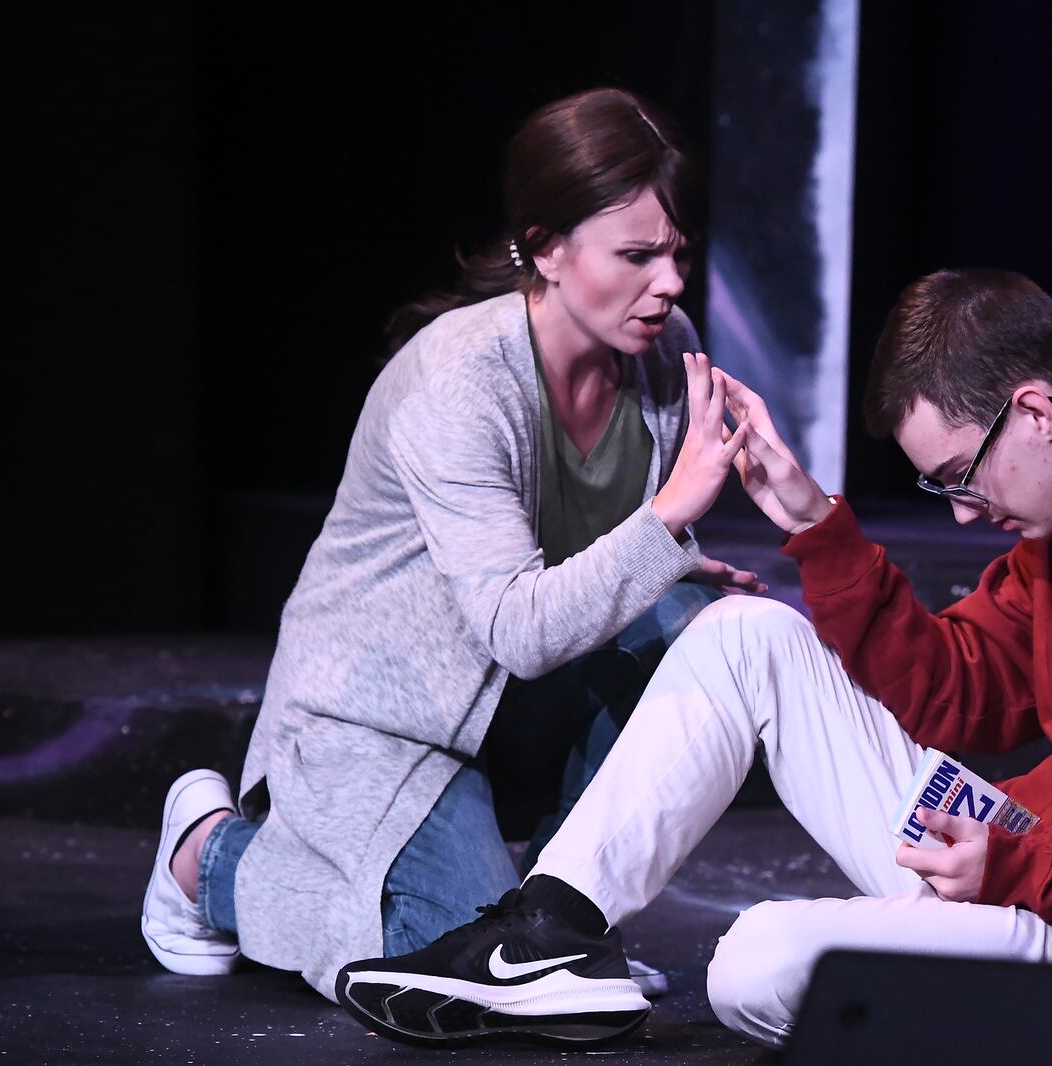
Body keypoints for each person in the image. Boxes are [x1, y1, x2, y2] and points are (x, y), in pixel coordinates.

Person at [333, 268, 1052, 1048]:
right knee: (744, 636)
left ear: (1036, 410)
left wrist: (1019, 867)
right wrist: (808, 517)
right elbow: (956, 693)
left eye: (959, 478)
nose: (965, 512)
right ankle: (546, 933)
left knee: (759, 962)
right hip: (1051, 872)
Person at [138, 88, 761, 1002]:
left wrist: (680, 563)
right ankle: (208, 855)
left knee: (689, 620)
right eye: (636, 255)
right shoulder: (459, 376)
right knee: (441, 949)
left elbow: (616, 570)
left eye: (678, 253)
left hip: (515, 704)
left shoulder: (668, 354)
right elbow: (518, 625)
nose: (669, 283)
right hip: (386, 717)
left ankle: (565, 916)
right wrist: (666, 524)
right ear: (546, 248)